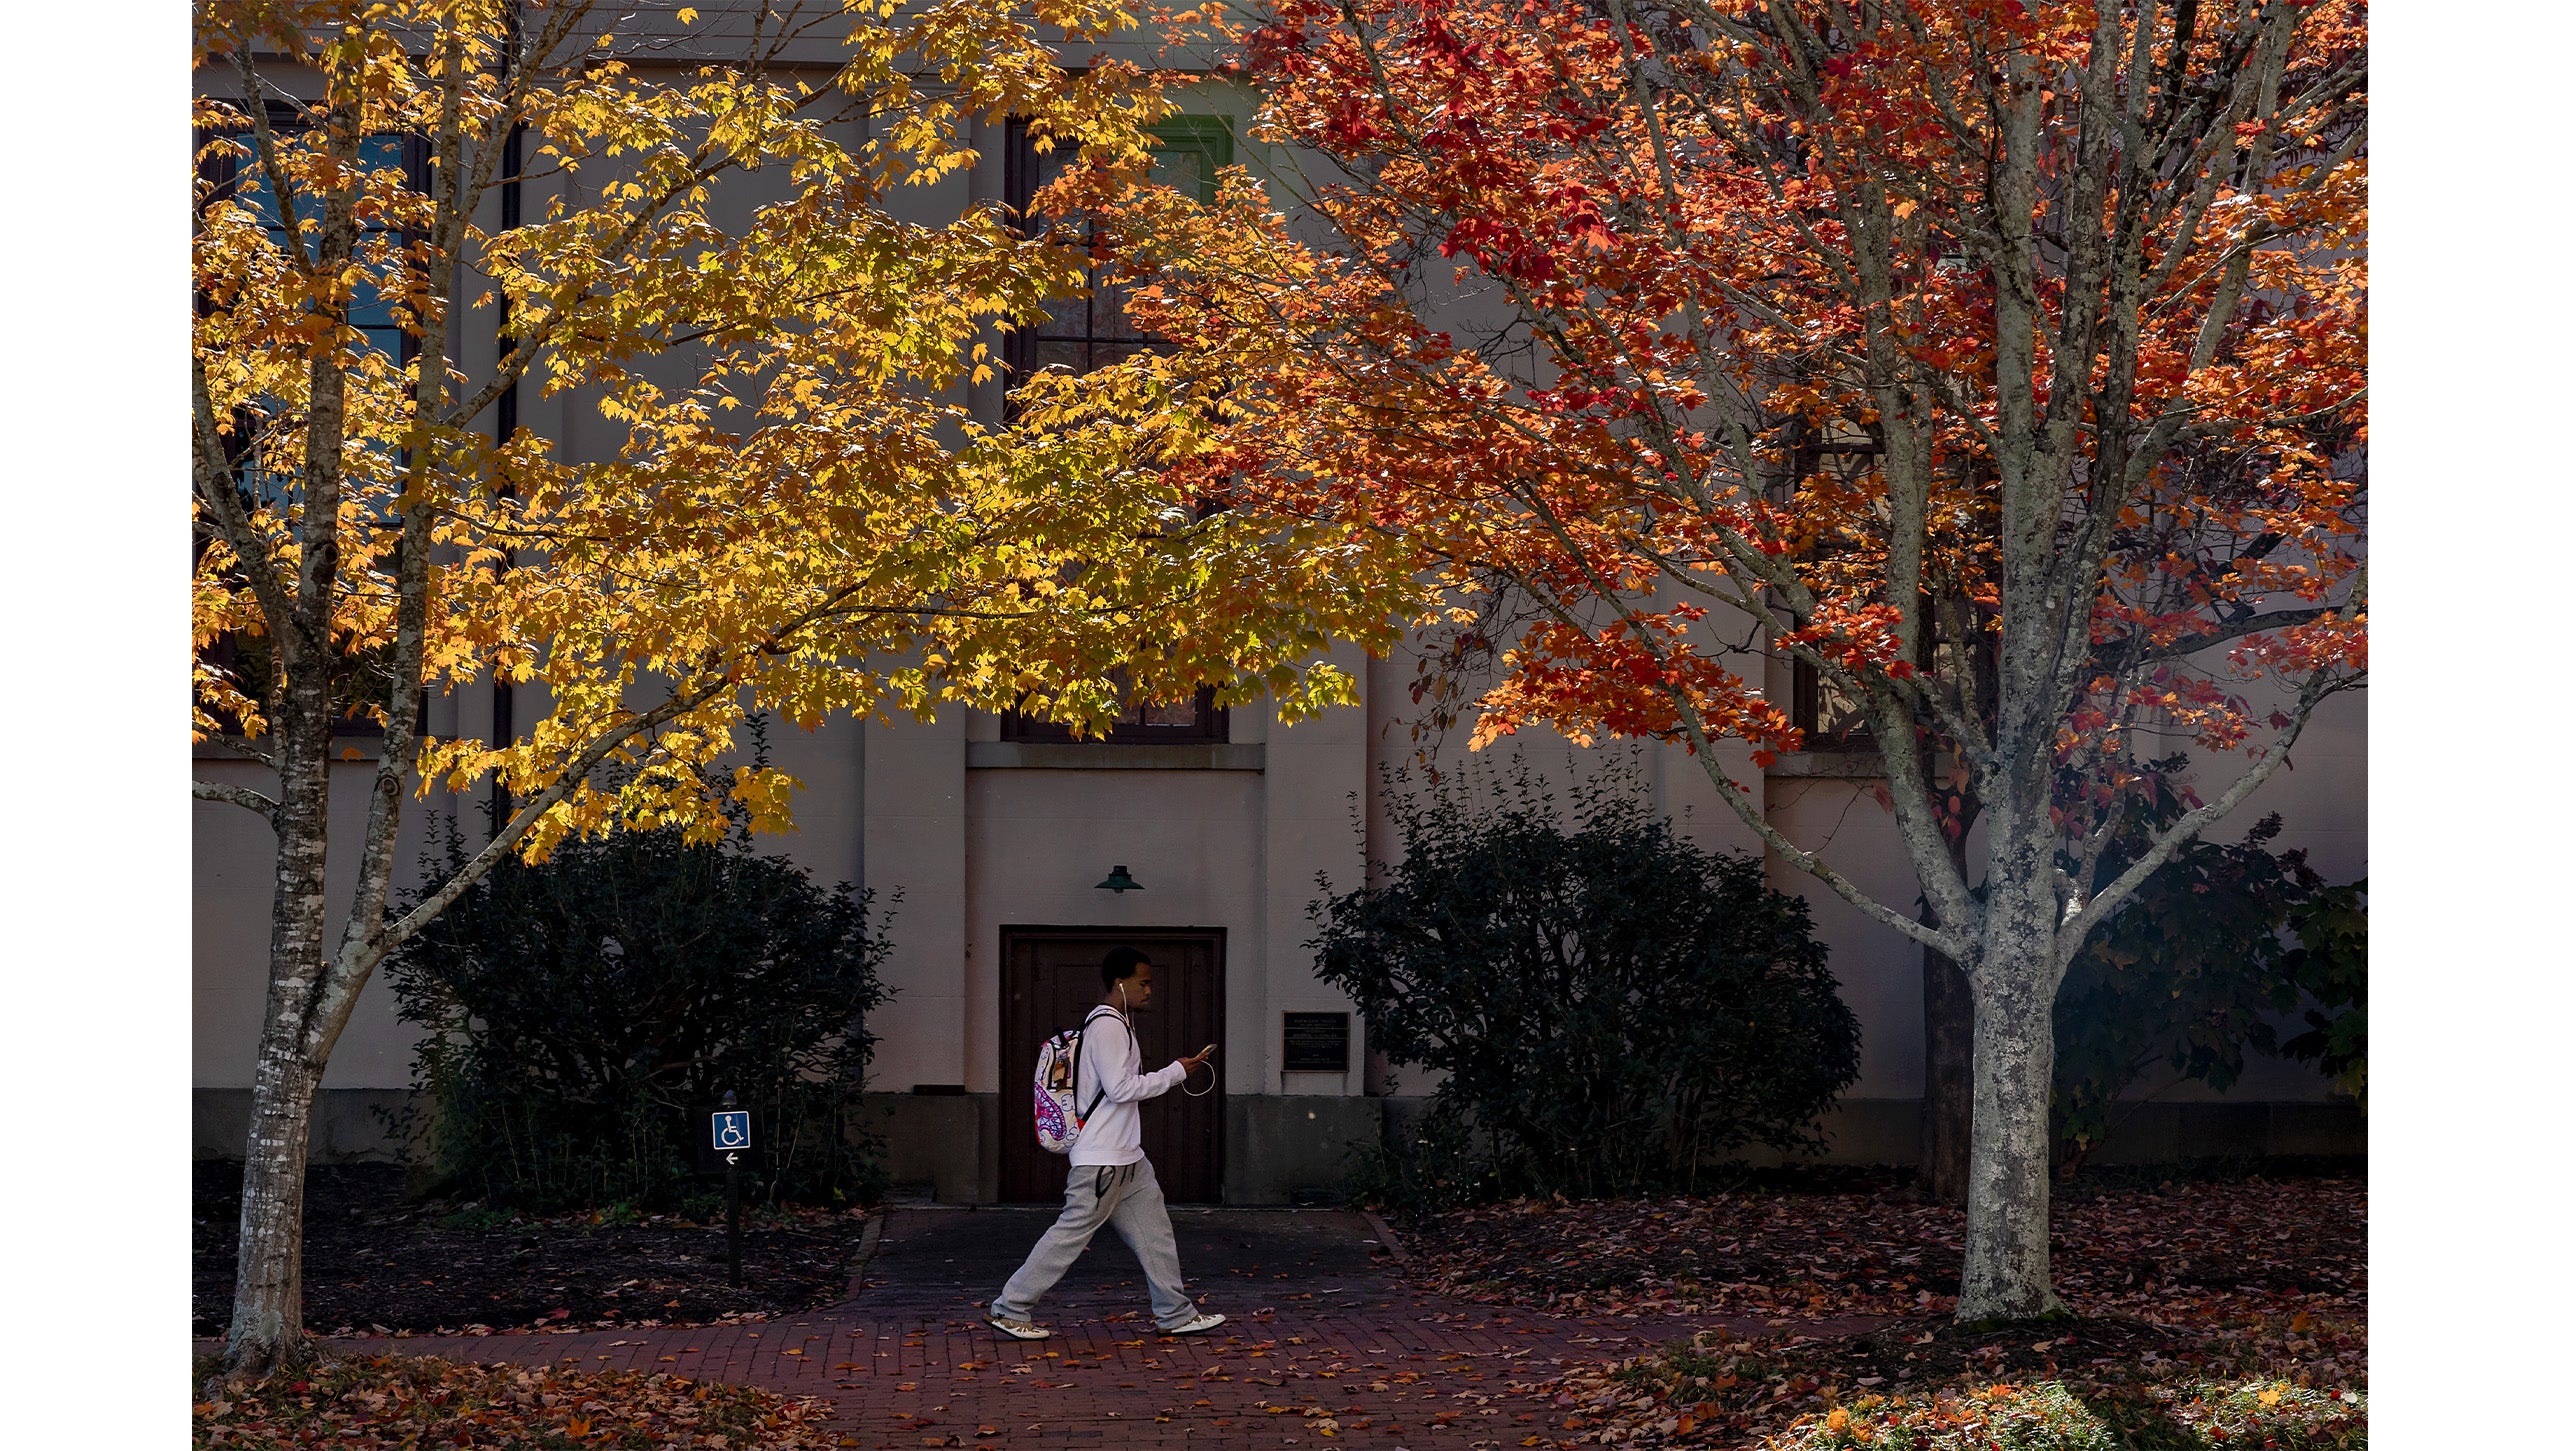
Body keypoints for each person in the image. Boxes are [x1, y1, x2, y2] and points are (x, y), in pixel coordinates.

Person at [988, 946, 1226, 1340]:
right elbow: (1120, 1089)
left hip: (1127, 1159)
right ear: (1120, 983)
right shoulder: (1109, 1026)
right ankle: (1009, 1308)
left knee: (1156, 1236)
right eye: (1143, 983)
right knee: (1070, 1235)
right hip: (1103, 1161)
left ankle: (1175, 1313)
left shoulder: (1114, 1024)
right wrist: (1175, 1072)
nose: (1150, 990)